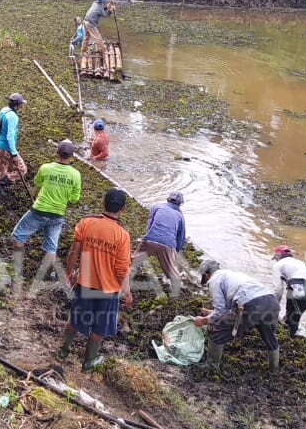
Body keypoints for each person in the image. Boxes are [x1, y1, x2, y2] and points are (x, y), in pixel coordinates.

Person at [59, 188, 132, 371]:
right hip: (108, 290)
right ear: (122, 209)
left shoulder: (86, 223)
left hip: (85, 284)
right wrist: (127, 292)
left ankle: (64, 351)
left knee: (75, 319)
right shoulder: (122, 235)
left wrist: (68, 272)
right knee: (99, 327)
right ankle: (88, 361)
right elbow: (121, 268)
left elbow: (74, 251)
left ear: (103, 203)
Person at [194, 260, 281, 373]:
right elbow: (227, 310)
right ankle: (274, 370)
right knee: (270, 336)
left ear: (206, 275)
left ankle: (212, 366)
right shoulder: (231, 274)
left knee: (217, 330)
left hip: (250, 304)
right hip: (271, 301)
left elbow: (221, 311)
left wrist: (203, 320)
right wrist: (210, 312)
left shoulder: (214, 280)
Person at [11, 140, 82, 273]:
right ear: (72, 156)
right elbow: (74, 199)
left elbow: (37, 182)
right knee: (51, 246)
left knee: (19, 235)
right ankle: (48, 273)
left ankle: (17, 265)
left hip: (39, 210)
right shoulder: (76, 175)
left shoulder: (46, 168)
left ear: (56, 153)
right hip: (57, 215)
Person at [130, 191, 186, 295]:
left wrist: (145, 240)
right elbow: (180, 236)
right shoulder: (180, 216)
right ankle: (175, 292)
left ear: (168, 199)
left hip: (150, 239)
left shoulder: (156, 206)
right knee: (172, 272)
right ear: (180, 204)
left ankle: (123, 277)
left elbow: (150, 225)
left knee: (133, 261)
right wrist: (175, 250)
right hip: (168, 244)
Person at [0, 93, 27, 194]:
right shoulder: (13, 117)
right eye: (21, 104)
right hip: (7, 148)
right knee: (22, 169)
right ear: (17, 104)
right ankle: (0, 185)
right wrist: (14, 153)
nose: (21, 106)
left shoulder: (3, 110)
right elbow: (10, 136)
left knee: (1, 168)